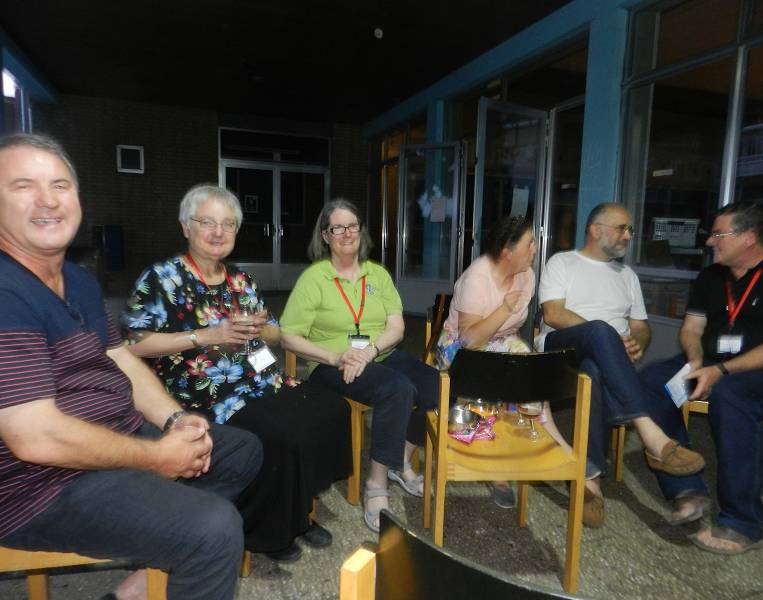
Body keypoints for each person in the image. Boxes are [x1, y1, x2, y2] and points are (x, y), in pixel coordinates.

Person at [0, 133, 262, 600]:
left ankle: (145, 579)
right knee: (214, 528)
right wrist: (156, 457)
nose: (47, 200)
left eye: (60, 185)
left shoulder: (78, 280)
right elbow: (34, 437)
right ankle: (189, 544)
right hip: (38, 484)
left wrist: (175, 420)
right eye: (23, 186)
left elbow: (120, 356)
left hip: (115, 432)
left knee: (241, 450)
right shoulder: (5, 292)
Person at [122, 184, 351, 564]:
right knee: (282, 434)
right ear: (186, 227)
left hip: (260, 379)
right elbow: (133, 345)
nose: (218, 232)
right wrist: (205, 336)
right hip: (206, 392)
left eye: (228, 224)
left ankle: (297, 508)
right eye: (207, 222)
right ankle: (266, 529)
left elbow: (275, 334)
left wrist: (261, 329)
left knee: (330, 409)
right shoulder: (162, 278)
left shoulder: (240, 280)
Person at [639, 202, 763, 554]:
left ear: (749, 237)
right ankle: (687, 488)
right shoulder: (711, 277)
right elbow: (692, 329)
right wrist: (696, 360)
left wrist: (721, 371)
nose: (710, 241)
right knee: (652, 383)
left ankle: (744, 524)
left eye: (718, 234)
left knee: (731, 395)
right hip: (711, 363)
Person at [535, 202, 705, 527]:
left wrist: (636, 342)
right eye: (621, 228)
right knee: (601, 331)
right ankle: (650, 432)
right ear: (595, 230)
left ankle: (590, 481)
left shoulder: (628, 276)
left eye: (630, 230)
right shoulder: (562, 262)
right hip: (561, 350)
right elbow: (553, 314)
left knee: (595, 370)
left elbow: (641, 327)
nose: (628, 236)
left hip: (602, 359)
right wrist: (611, 339)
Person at [280, 198, 438, 533]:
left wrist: (369, 352)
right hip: (331, 364)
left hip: (378, 354)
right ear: (325, 236)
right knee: (396, 389)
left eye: (352, 226)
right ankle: (376, 483)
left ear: (361, 231)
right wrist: (336, 357)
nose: (347, 233)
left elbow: (397, 328)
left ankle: (399, 459)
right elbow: (287, 336)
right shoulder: (314, 278)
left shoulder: (377, 274)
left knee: (434, 384)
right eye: (338, 228)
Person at [435, 215, 570, 510]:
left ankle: (554, 445)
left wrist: (517, 352)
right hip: (460, 346)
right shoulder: (477, 278)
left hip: (502, 339)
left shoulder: (527, 275)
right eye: (529, 243)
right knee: (492, 378)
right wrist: (504, 309)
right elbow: (469, 340)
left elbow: (515, 328)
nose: (535, 248)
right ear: (507, 251)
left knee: (533, 374)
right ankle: (499, 473)